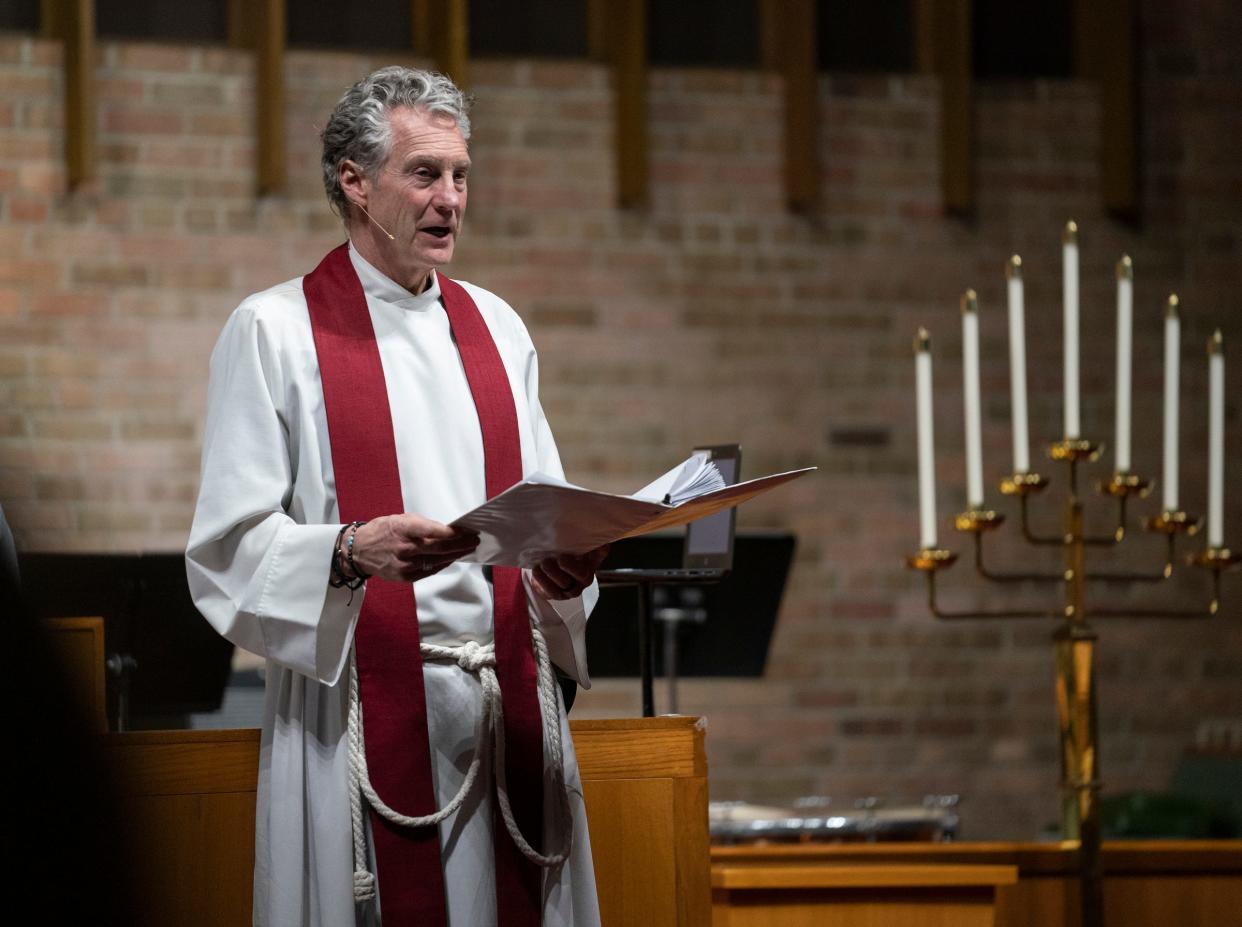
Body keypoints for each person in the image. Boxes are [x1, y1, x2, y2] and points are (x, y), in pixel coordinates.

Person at [186, 67, 606, 927]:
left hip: (503, 708)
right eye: (424, 174)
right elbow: (227, 548)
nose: (450, 198)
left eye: (460, 175)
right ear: (353, 179)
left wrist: (559, 576)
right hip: (359, 716)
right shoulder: (274, 329)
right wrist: (347, 550)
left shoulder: (498, 328)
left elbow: (540, 511)